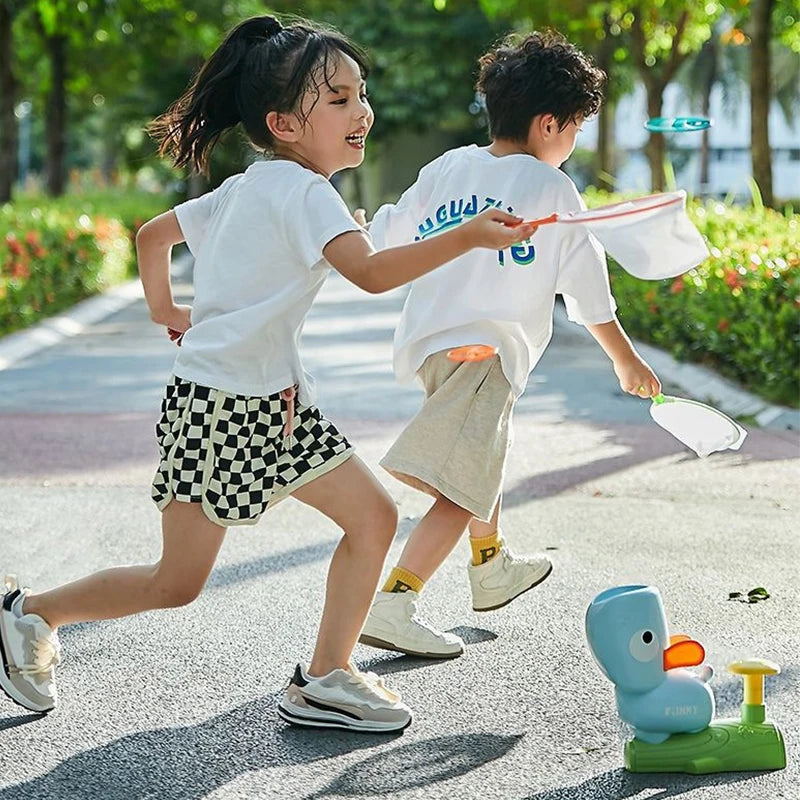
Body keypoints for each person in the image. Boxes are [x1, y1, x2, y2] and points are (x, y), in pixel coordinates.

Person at [0, 16, 536, 732]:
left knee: (371, 518)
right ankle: (29, 616)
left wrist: (171, 310)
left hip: (270, 403)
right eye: (339, 99)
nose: (362, 111)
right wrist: (466, 236)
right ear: (283, 123)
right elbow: (372, 274)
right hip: (223, 409)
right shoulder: (306, 195)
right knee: (176, 582)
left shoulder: (249, 187)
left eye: (360, 93)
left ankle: (326, 676)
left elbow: (151, 235)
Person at [358, 30, 662, 659]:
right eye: (575, 128)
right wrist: (624, 357)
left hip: (433, 350)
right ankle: (395, 599)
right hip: (488, 352)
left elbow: (388, 231)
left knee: (479, 458)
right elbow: (586, 288)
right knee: (459, 485)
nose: (573, 142)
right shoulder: (552, 189)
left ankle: (491, 563)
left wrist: (356, 230)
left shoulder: (446, 168)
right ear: (550, 124)